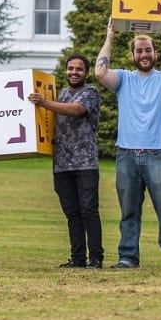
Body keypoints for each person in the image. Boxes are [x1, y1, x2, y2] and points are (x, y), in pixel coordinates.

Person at [94, 18, 161, 269]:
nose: (144, 54)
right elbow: (99, 72)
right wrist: (110, 37)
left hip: (159, 154)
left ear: (155, 53)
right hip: (127, 155)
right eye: (139, 50)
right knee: (129, 213)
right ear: (133, 55)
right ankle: (128, 257)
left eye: (148, 49)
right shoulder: (123, 80)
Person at [30, 53, 103, 269]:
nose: (74, 72)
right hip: (62, 164)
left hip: (85, 163)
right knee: (71, 213)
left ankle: (96, 258)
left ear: (86, 73)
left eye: (79, 69)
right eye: (70, 68)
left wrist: (43, 102)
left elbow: (77, 110)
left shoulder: (90, 92)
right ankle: (78, 258)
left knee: (89, 210)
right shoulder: (60, 94)